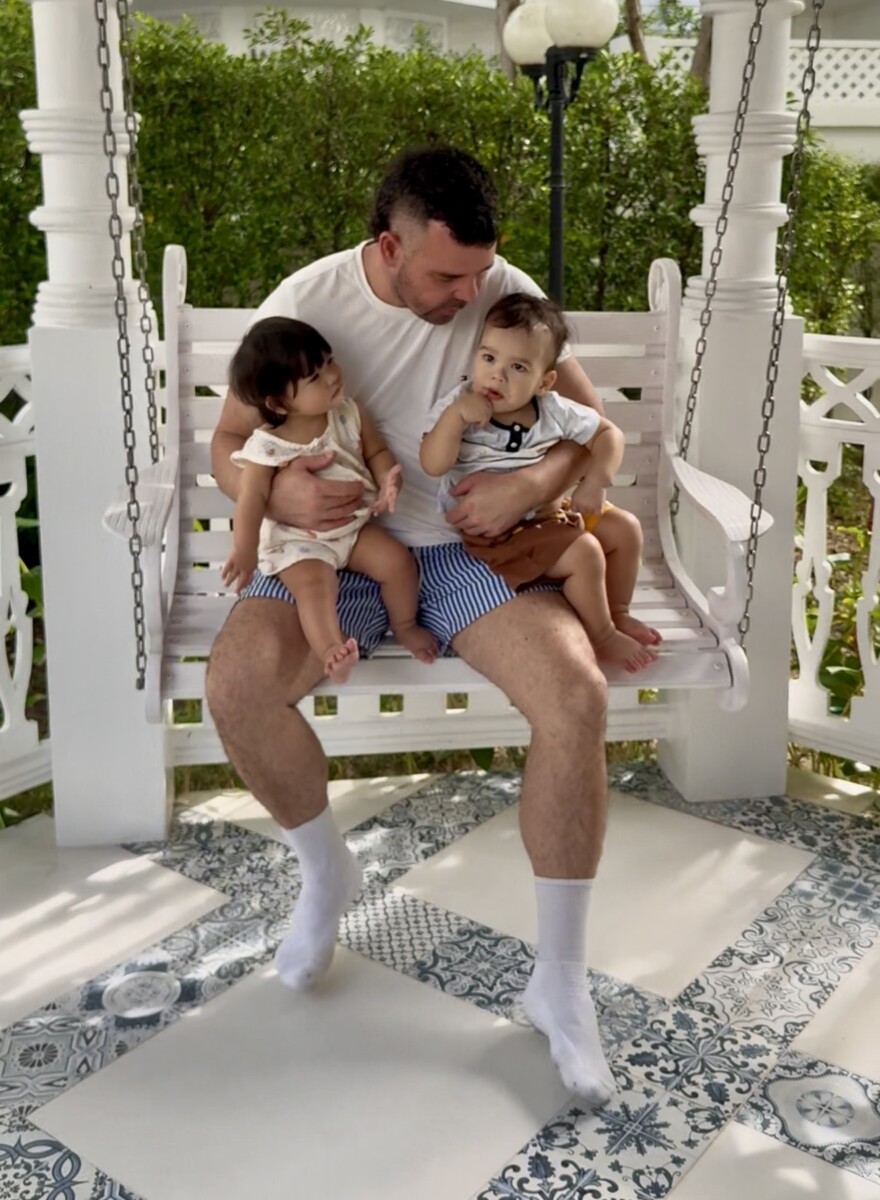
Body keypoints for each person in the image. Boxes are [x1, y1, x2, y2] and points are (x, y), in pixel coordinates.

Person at [208, 145, 615, 1105]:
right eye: (446, 277)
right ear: (386, 246)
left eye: (481, 273)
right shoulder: (307, 300)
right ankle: (326, 875)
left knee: (576, 697)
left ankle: (559, 983)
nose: (470, 293)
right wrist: (277, 497)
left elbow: (589, 427)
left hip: (468, 554)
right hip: (341, 551)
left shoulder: (496, 283)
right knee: (235, 688)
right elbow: (231, 443)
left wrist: (531, 478)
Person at [420, 293, 661, 673]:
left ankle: (617, 611)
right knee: (585, 553)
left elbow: (608, 435)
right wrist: (453, 420)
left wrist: (595, 481)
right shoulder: (459, 405)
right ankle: (601, 635)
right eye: (488, 358)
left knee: (626, 530)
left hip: (550, 514)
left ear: (545, 381)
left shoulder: (552, 410)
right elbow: (432, 464)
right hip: (498, 533)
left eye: (517, 367)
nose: (497, 374)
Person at [220, 316, 438, 682]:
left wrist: (387, 480)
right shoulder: (268, 445)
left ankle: (404, 624)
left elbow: (376, 452)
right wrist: (243, 550)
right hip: (298, 542)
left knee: (397, 562)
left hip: (352, 529)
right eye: (314, 378)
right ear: (279, 403)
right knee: (315, 587)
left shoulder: (349, 414)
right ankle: (330, 650)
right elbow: (252, 498)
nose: (333, 376)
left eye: (329, 362)